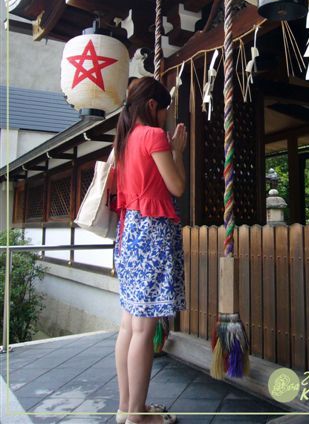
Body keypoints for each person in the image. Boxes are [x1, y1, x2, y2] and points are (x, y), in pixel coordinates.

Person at [112, 77, 187, 424]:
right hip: (152, 235)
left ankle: (127, 408)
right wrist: (178, 152)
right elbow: (177, 187)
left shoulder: (125, 140)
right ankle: (138, 417)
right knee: (143, 330)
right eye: (165, 112)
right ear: (153, 106)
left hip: (128, 235)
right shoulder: (153, 136)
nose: (166, 121)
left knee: (129, 327)